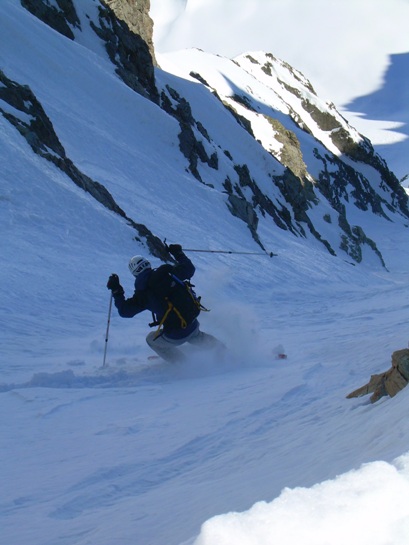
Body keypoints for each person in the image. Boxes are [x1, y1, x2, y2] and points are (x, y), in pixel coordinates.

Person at [106, 244, 225, 362]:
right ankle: (224, 351)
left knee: (151, 339)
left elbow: (124, 311)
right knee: (195, 335)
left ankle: (181, 363)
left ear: (134, 273)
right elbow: (189, 269)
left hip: (175, 334)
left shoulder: (143, 293)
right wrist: (178, 253)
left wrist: (117, 291)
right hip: (193, 322)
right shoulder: (168, 273)